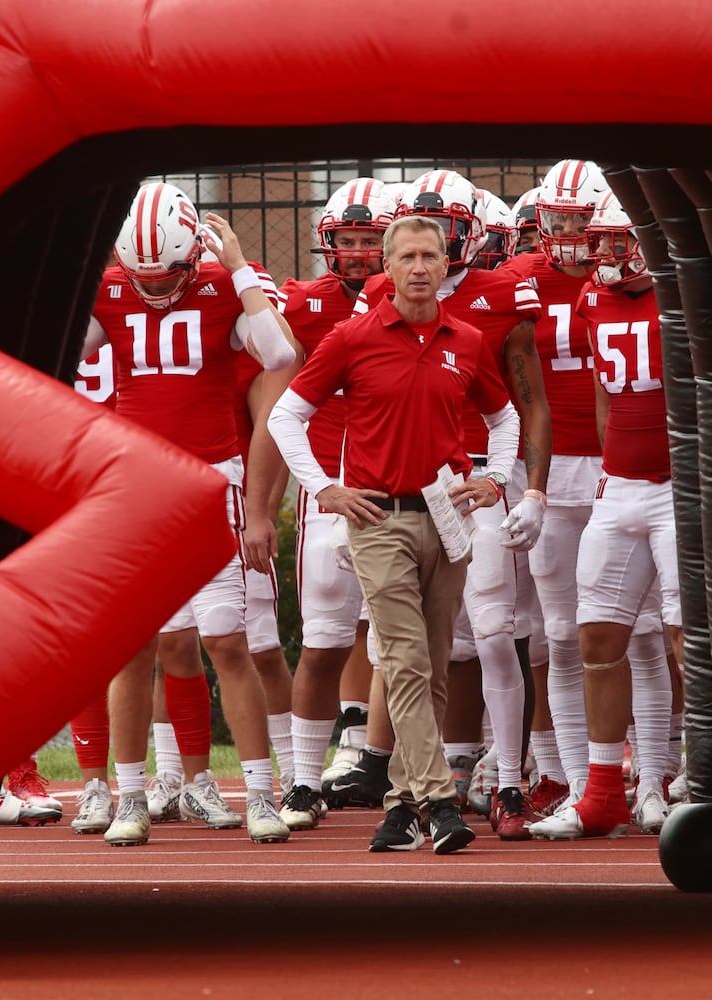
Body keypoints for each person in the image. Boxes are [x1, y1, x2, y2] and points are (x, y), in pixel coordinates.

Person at [267, 213, 521, 854]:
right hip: (378, 520)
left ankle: (401, 807)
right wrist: (325, 488)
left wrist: (495, 481)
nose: (416, 267)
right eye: (404, 256)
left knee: (433, 666)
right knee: (404, 658)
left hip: (448, 517)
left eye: (428, 256)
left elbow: (506, 416)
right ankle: (438, 801)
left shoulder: (465, 339)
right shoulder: (351, 338)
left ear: (444, 265)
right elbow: (285, 416)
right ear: (387, 265)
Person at [82, 181, 301, 847]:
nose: (150, 288)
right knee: (133, 647)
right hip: (138, 485)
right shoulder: (112, 288)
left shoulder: (224, 282)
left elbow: (283, 355)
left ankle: (260, 793)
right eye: (138, 275)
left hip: (211, 481)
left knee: (228, 642)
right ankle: (130, 796)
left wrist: (237, 269)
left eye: (164, 275)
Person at [530, 192, 679, 840]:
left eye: (622, 242)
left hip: (679, 485)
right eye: (605, 243)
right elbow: (601, 403)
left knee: (682, 640)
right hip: (618, 483)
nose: (609, 254)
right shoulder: (593, 298)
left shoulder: (683, 293)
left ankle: (685, 777)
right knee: (596, 638)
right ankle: (602, 794)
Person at [274, 178, 396, 831]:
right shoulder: (306, 306)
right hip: (326, 486)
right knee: (322, 643)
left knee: (394, 641)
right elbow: (275, 388)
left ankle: (388, 766)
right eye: (346, 241)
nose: (355, 253)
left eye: (369, 240)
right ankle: (300, 780)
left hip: (394, 484)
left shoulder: (419, 305)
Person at [501, 159, 612, 819]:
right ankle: (569, 775)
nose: (569, 230)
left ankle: (667, 765)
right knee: (558, 634)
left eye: (580, 218)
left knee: (650, 631)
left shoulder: (639, 275)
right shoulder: (519, 281)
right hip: (545, 468)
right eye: (558, 219)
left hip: (620, 465)